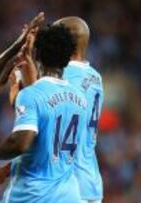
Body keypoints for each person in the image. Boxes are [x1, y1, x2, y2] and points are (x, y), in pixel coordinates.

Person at [0, 24, 87, 202]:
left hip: (32, 195)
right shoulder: (80, 98)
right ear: (67, 59)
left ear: (38, 55)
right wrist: (6, 171)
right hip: (69, 195)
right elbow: (46, 147)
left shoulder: (31, 95)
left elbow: (21, 143)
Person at [54, 16, 104, 203]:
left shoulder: (62, 76)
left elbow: (51, 132)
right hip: (90, 182)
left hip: (67, 185)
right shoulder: (95, 77)